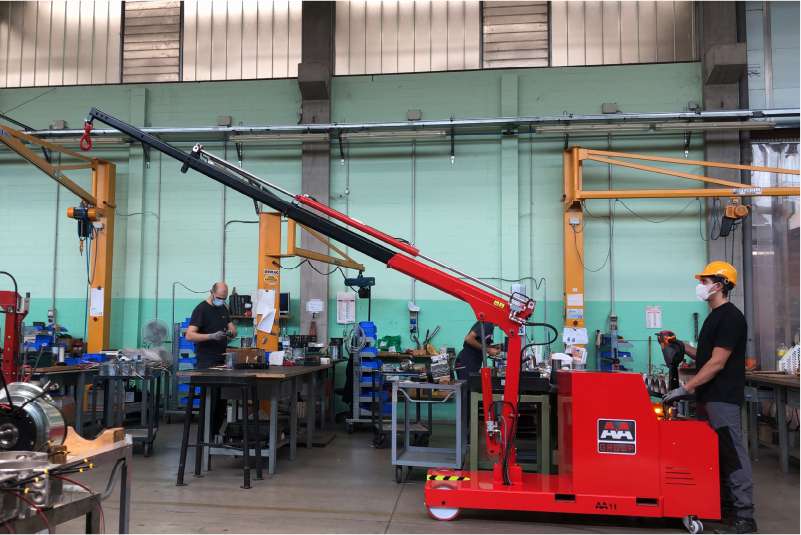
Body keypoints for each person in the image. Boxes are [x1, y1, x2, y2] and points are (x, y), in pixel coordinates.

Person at [663, 261, 756, 533]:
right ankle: (725, 508)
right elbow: (705, 356)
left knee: (732, 453)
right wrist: (681, 345)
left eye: (704, 281)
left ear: (720, 285)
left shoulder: (730, 318)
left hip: (722, 398)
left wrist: (686, 388)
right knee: (716, 455)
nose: (701, 286)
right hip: (709, 398)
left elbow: (717, 363)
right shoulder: (713, 317)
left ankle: (744, 516)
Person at [185, 281, 237, 439]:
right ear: (212, 293)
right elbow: (189, 335)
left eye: (224, 298)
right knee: (210, 401)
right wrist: (211, 336)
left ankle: (214, 435)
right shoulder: (201, 309)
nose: (221, 300)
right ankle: (204, 438)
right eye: (219, 297)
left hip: (222, 361)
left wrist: (231, 332)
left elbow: (232, 328)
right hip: (207, 362)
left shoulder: (223, 308)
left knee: (221, 402)